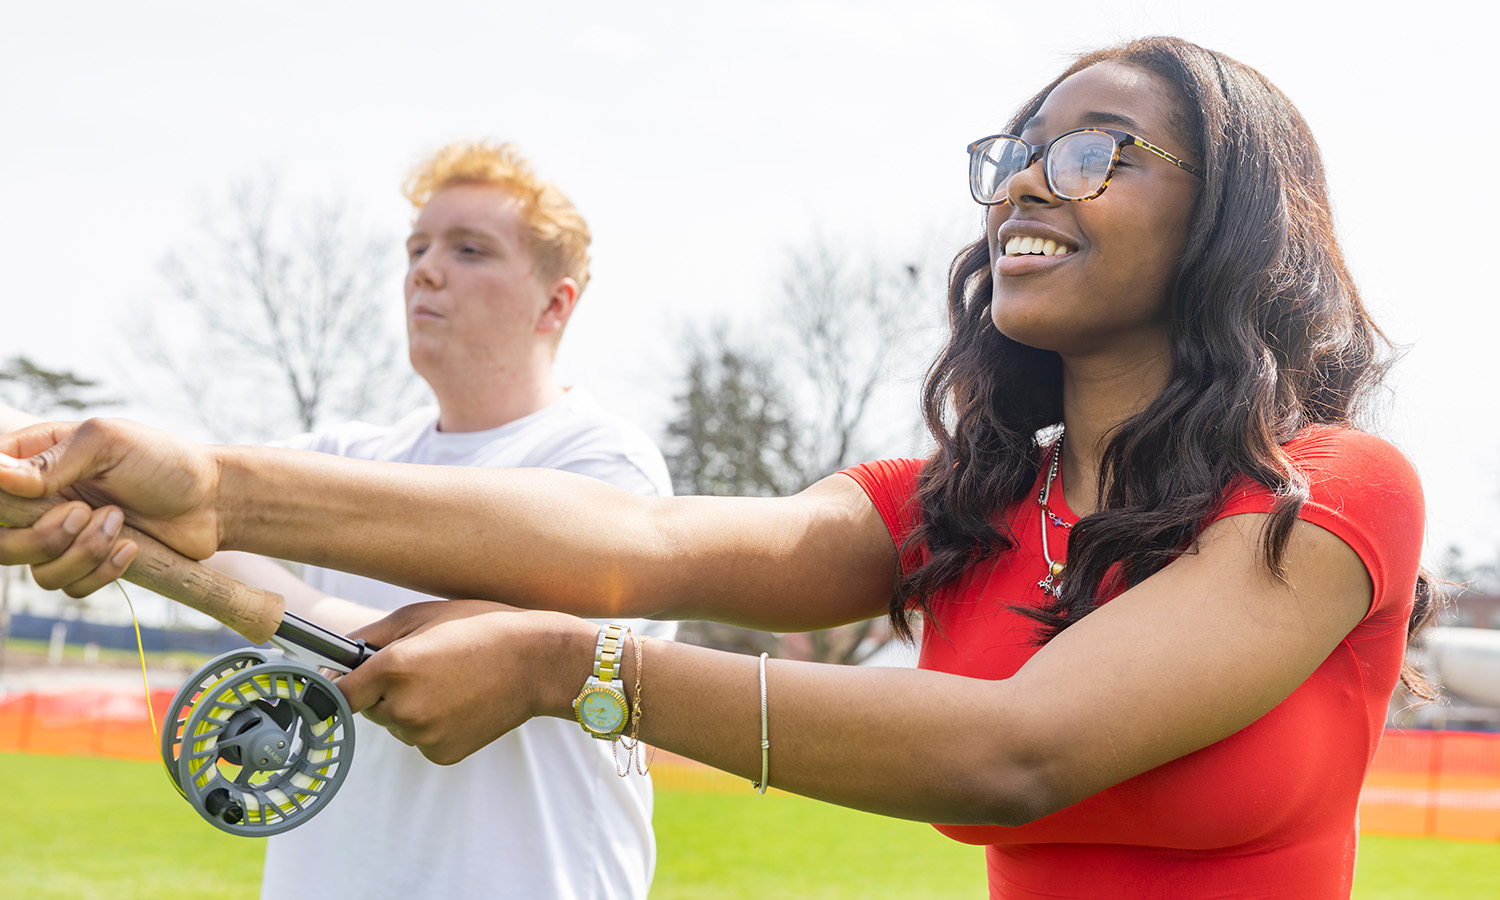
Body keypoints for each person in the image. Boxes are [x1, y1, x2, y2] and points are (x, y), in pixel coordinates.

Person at [0, 37, 1432, 899]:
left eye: (1093, 151)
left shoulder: (1336, 488)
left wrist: (575, 667)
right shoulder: (957, 508)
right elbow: (643, 547)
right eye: (1013, 150)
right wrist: (206, 485)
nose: (1019, 183)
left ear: (1238, 215)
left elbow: (1018, 753)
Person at [3, 142, 677, 900]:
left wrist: (307, 611)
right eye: (417, 247)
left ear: (555, 303)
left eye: (469, 249)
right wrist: (58, 469)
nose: (424, 269)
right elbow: (178, 505)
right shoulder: (346, 454)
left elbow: (518, 657)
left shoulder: (608, 469)